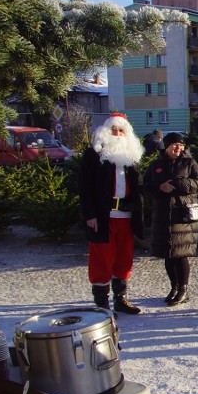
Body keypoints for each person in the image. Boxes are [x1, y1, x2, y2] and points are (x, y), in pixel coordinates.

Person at [78, 112, 145, 314]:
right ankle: (101, 303)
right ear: (105, 132)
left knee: (124, 259)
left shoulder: (131, 157)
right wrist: (90, 215)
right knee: (101, 260)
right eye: (113, 130)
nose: (117, 133)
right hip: (103, 216)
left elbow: (138, 187)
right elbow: (84, 186)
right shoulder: (93, 155)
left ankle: (121, 299)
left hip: (126, 216)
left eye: (121, 130)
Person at [143, 132, 198, 306]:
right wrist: (159, 187)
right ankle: (174, 287)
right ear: (167, 147)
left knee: (181, 254)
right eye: (174, 145)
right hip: (163, 215)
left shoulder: (189, 163)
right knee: (168, 255)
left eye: (181, 145)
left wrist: (179, 183)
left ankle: (183, 289)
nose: (178, 148)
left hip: (182, 216)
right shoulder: (156, 165)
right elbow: (145, 186)